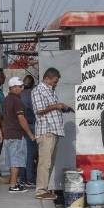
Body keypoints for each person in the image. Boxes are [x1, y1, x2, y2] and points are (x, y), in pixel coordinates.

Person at [32, 67, 71, 200]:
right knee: (45, 163)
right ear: (47, 78)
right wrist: (57, 106)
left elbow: (51, 109)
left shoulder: (50, 91)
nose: (55, 84)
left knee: (49, 163)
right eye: (54, 82)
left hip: (53, 131)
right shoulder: (38, 90)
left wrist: (63, 108)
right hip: (46, 131)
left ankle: (44, 189)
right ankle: (40, 191)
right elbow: (39, 110)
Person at [0, 77, 36, 192]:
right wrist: (30, 134)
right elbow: (21, 119)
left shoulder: (6, 99)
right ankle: (13, 186)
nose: (22, 89)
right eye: (20, 87)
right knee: (16, 161)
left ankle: (15, 183)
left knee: (12, 161)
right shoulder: (17, 101)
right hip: (16, 134)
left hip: (8, 133)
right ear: (13, 88)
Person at [19, 74, 38, 187]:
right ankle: (30, 179)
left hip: (19, 127)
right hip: (31, 125)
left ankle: (22, 178)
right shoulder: (32, 95)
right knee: (30, 154)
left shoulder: (18, 95)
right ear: (33, 84)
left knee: (22, 154)